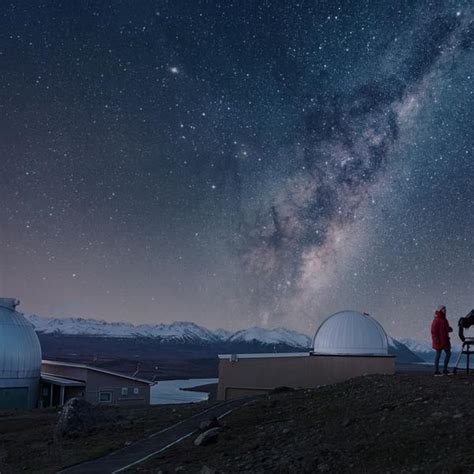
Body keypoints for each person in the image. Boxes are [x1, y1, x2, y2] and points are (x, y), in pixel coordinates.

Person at [431, 305, 453, 375]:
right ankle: (437, 371)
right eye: (443, 309)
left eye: (445, 309)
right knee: (438, 355)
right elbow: (433, 331)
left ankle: (444, 370)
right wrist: (436, 339)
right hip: (440, 341)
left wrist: (449, 329)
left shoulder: (444, 320)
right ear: (440, 310)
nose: (445, 310)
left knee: (448, 354)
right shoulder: (437, 320)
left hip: (445, 340)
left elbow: (444, 329)